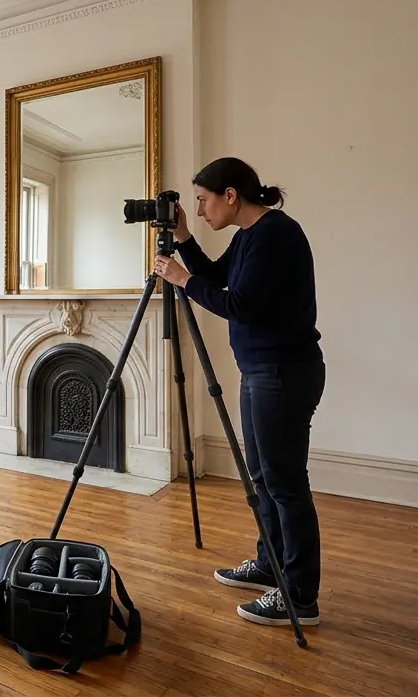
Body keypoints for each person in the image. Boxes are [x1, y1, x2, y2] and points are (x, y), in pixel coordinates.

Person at [151, 156, 326, 628]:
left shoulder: (275, 235)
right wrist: (185, 240)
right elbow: (213, 276)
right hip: (262, 372)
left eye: (204, 202)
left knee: (286, 483)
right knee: (264, 477)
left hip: (283, 372)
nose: (201, 211)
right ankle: (271, 564)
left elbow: (239, 305)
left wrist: (182, 282)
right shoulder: (249, 235)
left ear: (231, 195)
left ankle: (299, 598)